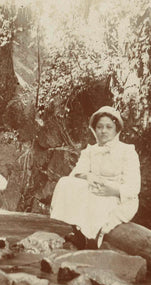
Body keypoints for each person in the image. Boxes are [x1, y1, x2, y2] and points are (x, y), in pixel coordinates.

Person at [50, 106, 141, 249]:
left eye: (108, 127)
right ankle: (79, 235)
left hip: (119, 197)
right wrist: (88, 175)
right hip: (95, 191)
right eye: (99, 127)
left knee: (96, 200)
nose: (103, 131)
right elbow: (76, 173)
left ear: (116, 129)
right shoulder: (90, 151)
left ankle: (93, 240)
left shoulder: (127, 152)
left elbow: (134, 187)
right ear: (94, 129)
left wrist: (113, 190)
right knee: (65, 183)